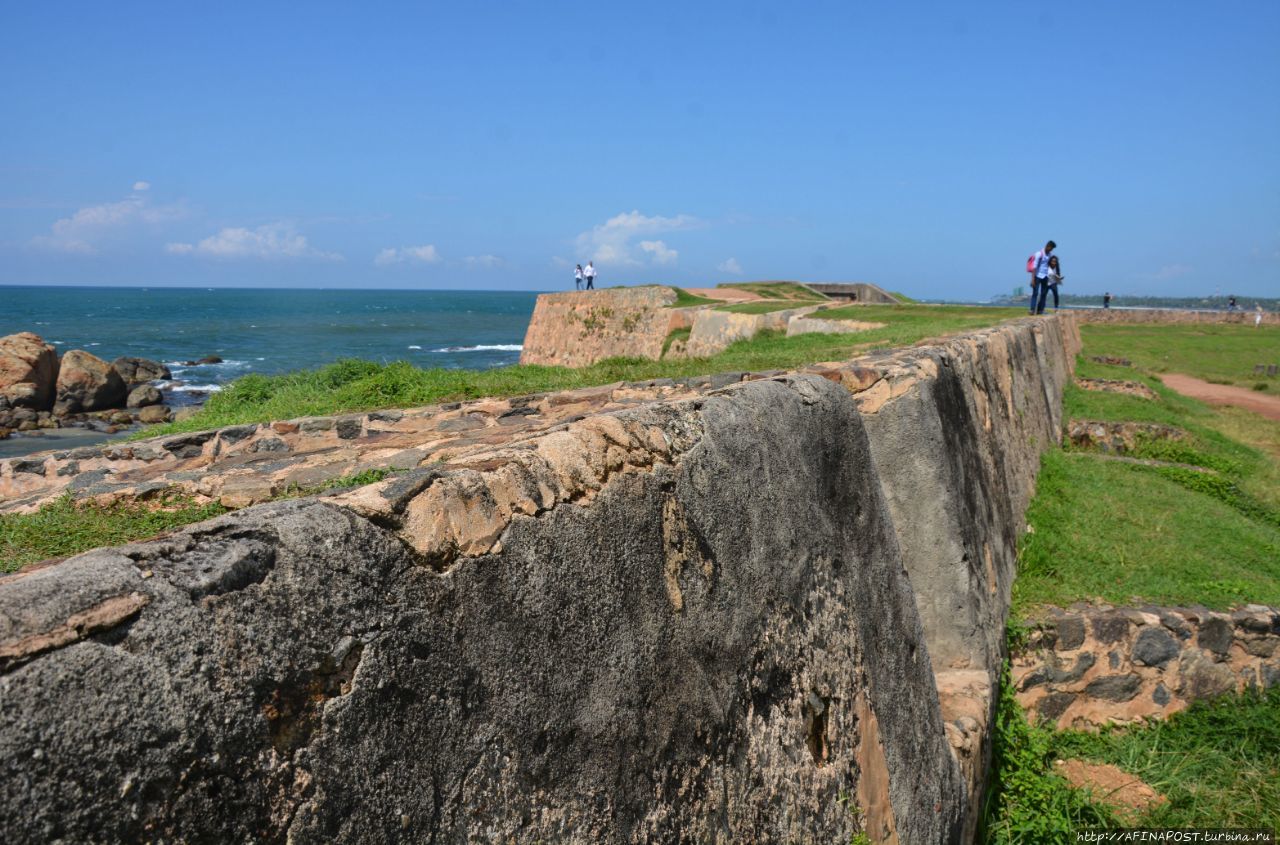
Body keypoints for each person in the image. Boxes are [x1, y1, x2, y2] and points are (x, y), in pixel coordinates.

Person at [1028, 240, 1056, 314]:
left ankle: (1040, 310)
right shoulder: (1039, 254)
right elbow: (1034, 267)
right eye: (1051, 248)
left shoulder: (1050, 255)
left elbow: (1049, 266)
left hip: (1045, 276)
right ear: (1048, 246)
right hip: (1037, 276)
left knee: (1044, 294)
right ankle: (1032, 309)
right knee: (1035, 293)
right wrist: (1033, 279)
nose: (1051, 250)